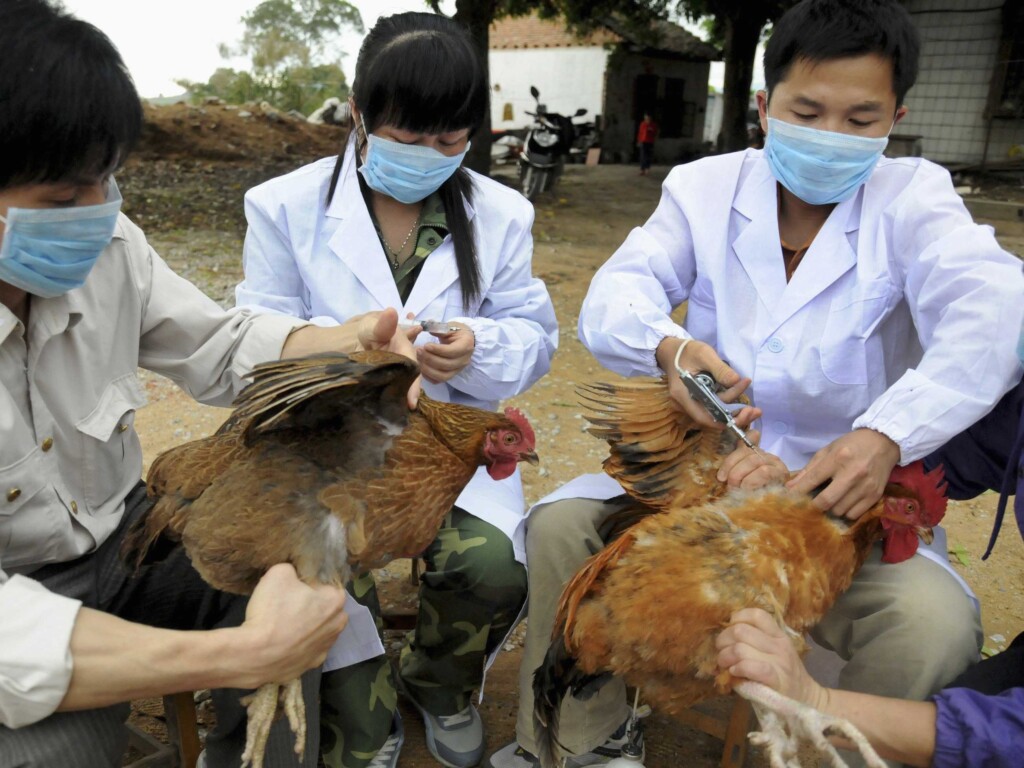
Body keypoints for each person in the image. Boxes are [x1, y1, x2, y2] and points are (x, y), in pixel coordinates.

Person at [487, 1, 1024, 766]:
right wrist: (669, 349)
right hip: (702, 475)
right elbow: (616, 294)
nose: (832, 136)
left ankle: (825, 751)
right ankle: (582, 740)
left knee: (929, 622)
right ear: (766, 106)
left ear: (895, 118)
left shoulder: (916, 201)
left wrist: (887, 432)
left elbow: (998, 309)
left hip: (843, 506)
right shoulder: (705, 189)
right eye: (809, 111)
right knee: (562, 528)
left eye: (861, 118)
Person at [0, 2, 419, 766]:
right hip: (16, 598)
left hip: (126, 539)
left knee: (294, 589)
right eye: (63, 200)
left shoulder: (110, 245)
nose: (98, 214)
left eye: (107, 181)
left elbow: (221, 345)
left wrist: (341, 346)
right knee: (50, 756)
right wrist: (236, 656)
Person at [233, 12, 558, 768]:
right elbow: (260, 341)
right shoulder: (281, 207)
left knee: (490, 563)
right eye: (409, 137)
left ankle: (438, 682)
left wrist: (479, 349)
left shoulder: (502, 214)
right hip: (329, 451)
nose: (430, 156)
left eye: (451, 141)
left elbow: (534, 339)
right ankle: (365, 693)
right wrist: (359, 359)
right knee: (327, 560)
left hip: (446, 445)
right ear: (360, 114)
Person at [717, 353, 1024, 768]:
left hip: (809, 522)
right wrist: (873, 454)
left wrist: (818, 701)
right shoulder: (1015, 404)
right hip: (739, 476)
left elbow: (1005, 736)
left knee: (937, 631)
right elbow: (965, 449)